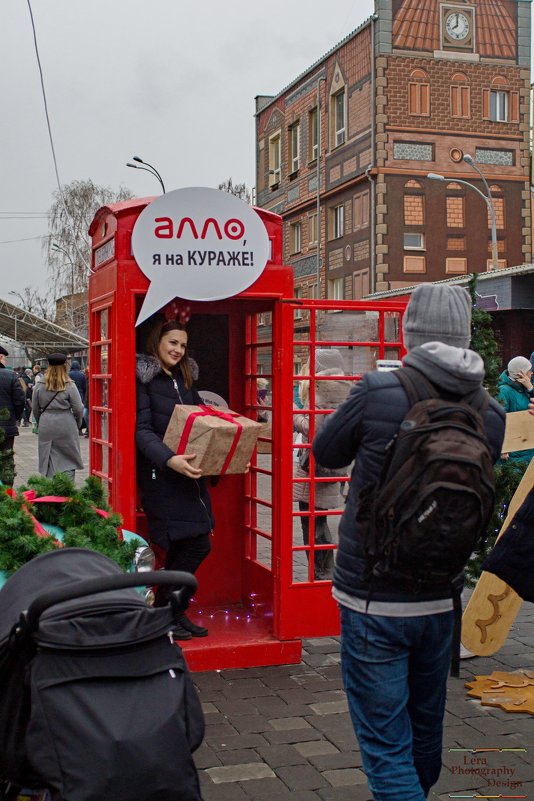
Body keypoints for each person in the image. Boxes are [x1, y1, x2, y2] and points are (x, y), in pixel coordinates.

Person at [312, 284, 505, 801]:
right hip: (442, 598)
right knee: (424, 735)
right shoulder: (491, 410)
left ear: (407, 331)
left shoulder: (379, 391)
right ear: (465, 334)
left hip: (372, 596)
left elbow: (323, 452)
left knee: (385, 747)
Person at [136, 317, 213, 640]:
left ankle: (172, 613)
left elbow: (203, 422)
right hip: (162, 475)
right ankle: (167, 613)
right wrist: (169, 460)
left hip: (190, 476)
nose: (178, 350)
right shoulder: (145, 380)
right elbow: (141, 431)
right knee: (188, 544)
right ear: (157, 342)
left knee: (198, 544)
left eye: (182, 345)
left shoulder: (184, 381)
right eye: (172, 343)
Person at [293, 349, 349, 581]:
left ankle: (323, 574)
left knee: (313, 522)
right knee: (319, 519)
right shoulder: (343, 387)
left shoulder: (321, 388)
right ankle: (324, 572)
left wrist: (294, 415)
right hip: (332, 464)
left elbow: (313, 429)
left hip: (315, 466)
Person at [32, 353, 84, 481]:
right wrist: (77, 424)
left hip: (46, 423)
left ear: (48, 366)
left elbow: (35, 408)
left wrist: (41, 422)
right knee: (69, 458)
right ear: (65, 365)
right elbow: (78, 408)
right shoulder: (69, 385)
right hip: (66, 422)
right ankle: (66, 488)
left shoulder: (40, 385)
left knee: (48, 456)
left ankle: (49, 488)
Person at [497, 355, 534, 466]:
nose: (532, 373)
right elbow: (499, 420)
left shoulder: (528, 388)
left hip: (529, 446)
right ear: (520, 374)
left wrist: (530, 388)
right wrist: (502, 447)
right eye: (529, 370)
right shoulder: (504, 391)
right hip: (515, 453)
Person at [0, 345, 26, 485]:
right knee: (6, 461)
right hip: (6, 428)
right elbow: (19, 401)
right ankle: (7, 493)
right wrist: (14, 417)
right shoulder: (10, 376)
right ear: (1, 357)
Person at [68, 359, 87, 433]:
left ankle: (73, 428)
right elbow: (85, 386)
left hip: (71, 393)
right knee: (80, 411)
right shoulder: (82, 374)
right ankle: (80, 429)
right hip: (80, 393)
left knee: (72, 411)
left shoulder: (69, 374)